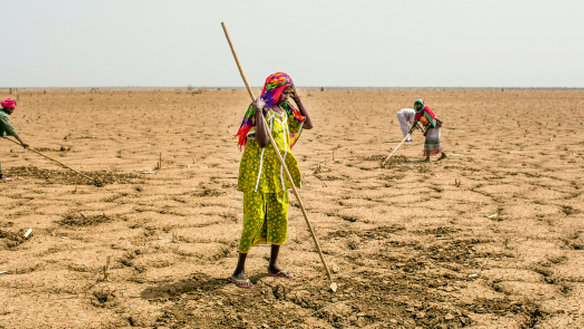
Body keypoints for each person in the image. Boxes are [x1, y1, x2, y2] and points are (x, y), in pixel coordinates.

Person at [231, 72, 313, 289]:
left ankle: (273, 265)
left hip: (278, 173)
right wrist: (259, 112)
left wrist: (298, 99)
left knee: (280, 218)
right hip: (257, 175)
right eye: (285, 91)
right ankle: (239, 270)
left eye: (289, 91)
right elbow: (263, 141)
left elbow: (308, 124)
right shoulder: (259, 107)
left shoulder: (286, 109)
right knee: (254, 220)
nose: (287, 95)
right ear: (274, 89)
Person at [1, 98, 29, 182]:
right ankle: (1, 177)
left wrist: (1, 132)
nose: (12, 111)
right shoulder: (3, 115)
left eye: (13, 109)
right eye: (10, 108)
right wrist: (21, 141)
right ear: (5, 107)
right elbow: (10, 128)